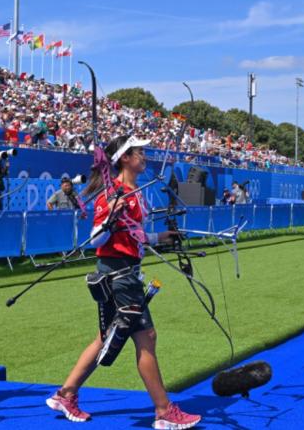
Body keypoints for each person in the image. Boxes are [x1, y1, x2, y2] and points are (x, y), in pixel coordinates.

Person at [48, 135, 202, 429]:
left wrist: (160, 238)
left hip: (123, 270)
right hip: (119, 274)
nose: (144, 156)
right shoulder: (113, 192)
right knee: (147, 338)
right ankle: (163, 411)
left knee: (106, 336)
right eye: (139, 152)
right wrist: (108, 221)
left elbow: (133, 235)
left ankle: (66, 394)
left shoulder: (135, 191)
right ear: (125, 159)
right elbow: (96, 239)